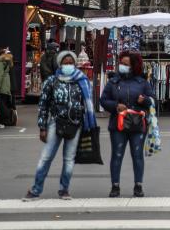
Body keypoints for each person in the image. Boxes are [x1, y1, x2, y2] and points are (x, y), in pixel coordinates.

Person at [24, 50, 96, 201]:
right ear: (60, 63)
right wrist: (42, 127)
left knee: (69, 159)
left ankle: (64, 189)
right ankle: (36, 189)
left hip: (75, 124)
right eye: (65, 62)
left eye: (71, 63)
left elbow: (88, 104)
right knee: (46, 157)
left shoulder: (82, 80)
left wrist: (87, 124)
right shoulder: (51, 81)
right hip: (55, 123)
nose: (68, 65)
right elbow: (43, 105)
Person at [100, 51, 153, 198]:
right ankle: (115, 186)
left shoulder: (142, 83)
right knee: (117, 154)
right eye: (121, 63)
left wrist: (145, 100)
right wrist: (116, 106)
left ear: (133, 66)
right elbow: (103, 100)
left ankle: (138, 185)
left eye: (126, 64)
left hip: (138, 125)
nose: (122, 66)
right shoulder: (113, 82)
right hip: (118, 124)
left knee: (137, 155)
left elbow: (152, 101)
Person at [0, 48, 15, 129]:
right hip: (6, 85)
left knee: (1, 104)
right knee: (3, 103)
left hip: (2, 86)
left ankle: (2, 121)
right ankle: (4, 121)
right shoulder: (7, 61)